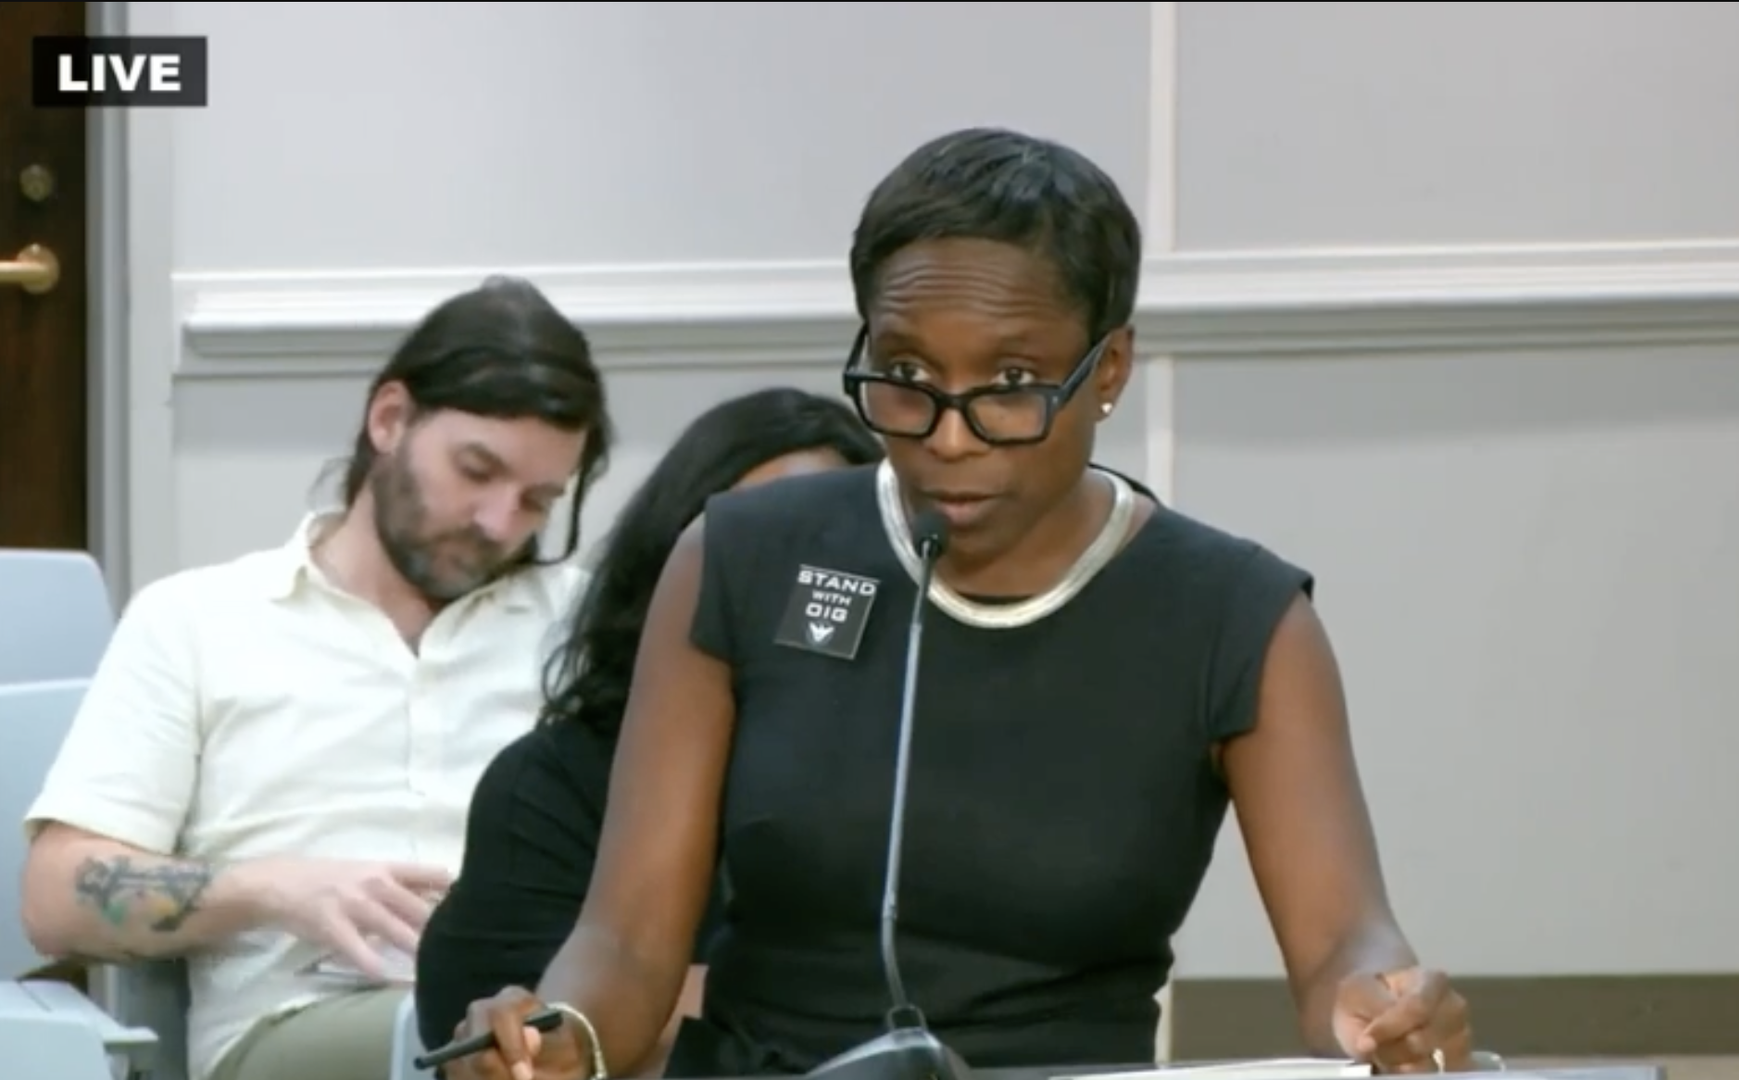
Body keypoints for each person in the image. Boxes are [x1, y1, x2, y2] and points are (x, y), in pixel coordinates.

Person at [445, 127, 1475, 1080]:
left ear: (1106, 370)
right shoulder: (741, 557)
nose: (947, 434)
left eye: (1013, 380)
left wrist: (1388, 1007)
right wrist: (560, 1040)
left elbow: (1345, 940)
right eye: (904, 375)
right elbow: (625, 943)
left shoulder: (1236, 618)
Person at [20, 275, 613, 1080]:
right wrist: (276, 889)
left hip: (553, 1023)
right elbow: (56, 899)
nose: (498, 523)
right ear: (390, 419)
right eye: (476, 471)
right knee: (458, 1041)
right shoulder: (200, 620)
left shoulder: (585, 630)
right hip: (300, 1028)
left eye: (537, 501)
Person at [412, 387, 884, 1070]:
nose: (799, 589)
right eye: (754, 550)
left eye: (825, 559)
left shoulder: (923, 763)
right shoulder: (552, 785)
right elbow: (531, 1039)